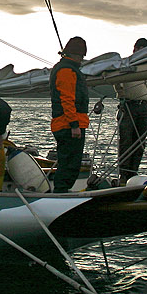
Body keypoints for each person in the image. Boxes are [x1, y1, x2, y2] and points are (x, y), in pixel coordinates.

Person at [49, 34, 90, 193]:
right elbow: (67, 99)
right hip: (68, 124)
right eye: (81, 56)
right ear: (77, 55)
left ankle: (62, 190)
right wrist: (74, 125)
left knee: (69, 161)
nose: (82, 59)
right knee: (69, 162)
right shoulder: (66, 70)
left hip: (67, 123)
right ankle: (61, 191)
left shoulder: (66, 68)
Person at [116, 37, 147, 183]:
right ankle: (124, 175)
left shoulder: (146, 66)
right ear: (137, 49)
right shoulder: (126, 64)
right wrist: (122, 95)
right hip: (129, 105)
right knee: (126, 141)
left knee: (140, 142)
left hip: (144, 106)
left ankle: (133, 173)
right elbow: (116, 80)